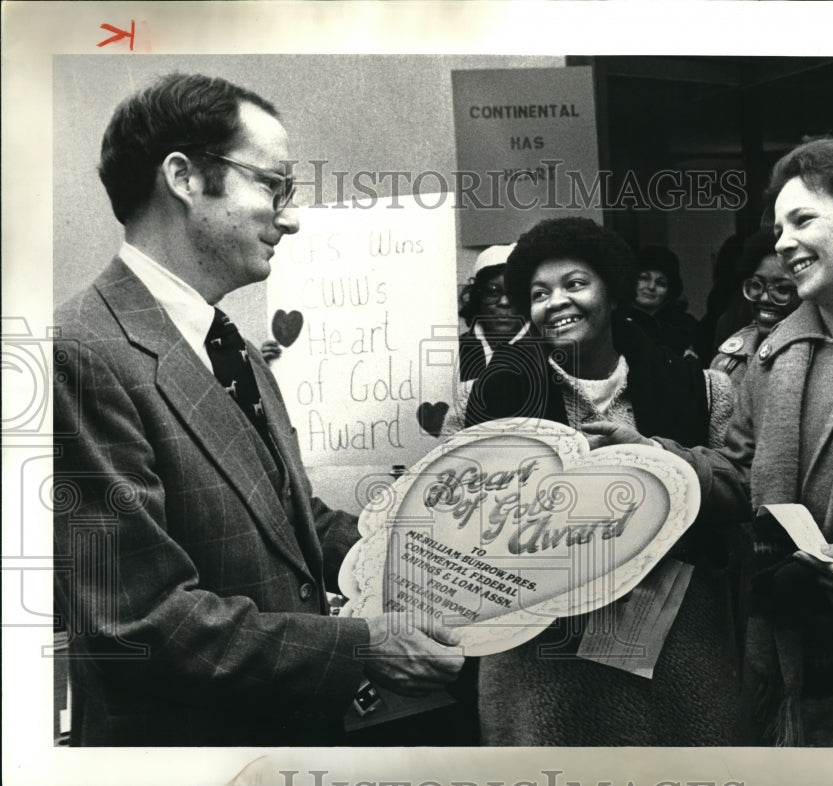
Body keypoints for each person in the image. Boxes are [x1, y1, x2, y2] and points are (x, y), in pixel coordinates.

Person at [52, 73, 463, 746]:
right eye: (272, 185)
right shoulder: (80, 352)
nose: (292, 215)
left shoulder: (230, 345)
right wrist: (362, 645)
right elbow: (141, 620)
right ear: (183, 177)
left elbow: (292, 519)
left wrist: (434, 554)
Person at [587, 137, 833, 747]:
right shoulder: (771, 355)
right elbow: (737, 478)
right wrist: (658, 459)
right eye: (778, 225)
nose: (782, 242)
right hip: (785, 665)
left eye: (803, 219)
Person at [465, 216, 739, 746]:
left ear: (612, 294)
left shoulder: (704, 390)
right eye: (540, 293)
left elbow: (743, 495)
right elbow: (458, 527)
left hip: (676, 654)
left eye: (574, 284)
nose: (557, 302)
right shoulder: (486, 399)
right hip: (541, 664)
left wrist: (657, 462)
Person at [710, 229, 802, 388]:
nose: (765, 298)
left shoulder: (821, 361)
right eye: (756, 285)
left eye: (782, 289)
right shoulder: (727, 360)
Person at [457, 243, 525, 381]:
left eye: (514, 292)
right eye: (493, 291)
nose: (504, 302)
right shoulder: (455, 349)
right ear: (478, 296)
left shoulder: (549, 349)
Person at [626, 245, 700, 359]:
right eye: (644, 278)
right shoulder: (614, 320)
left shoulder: (686, 326)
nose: (651, 287)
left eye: (661, 283)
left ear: (670, 291)